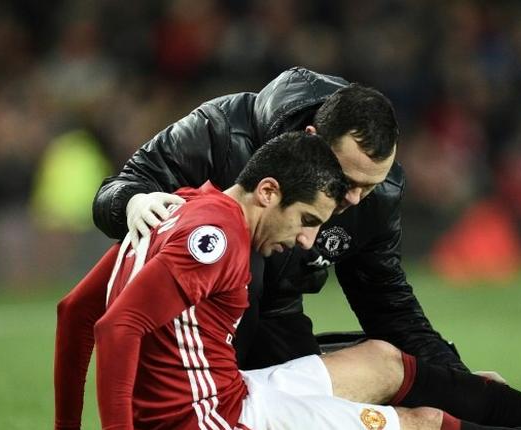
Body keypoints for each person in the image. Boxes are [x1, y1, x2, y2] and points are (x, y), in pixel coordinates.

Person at [57, 132, 521, 430]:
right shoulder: (214, 235)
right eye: (307, 221)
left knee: (388, 360)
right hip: (215, 420)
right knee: (418, 422)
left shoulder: (179, 208)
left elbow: (72, 313)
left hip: (231, 392)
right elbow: (117, 326)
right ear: (270, 189)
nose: (309, 243)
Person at [91, 67, 464, 371]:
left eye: (370, 185)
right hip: (191, 323)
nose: (353, 198)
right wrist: (132, 201)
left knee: (400, 378)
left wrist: (463, 385)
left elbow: (387, 304)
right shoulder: (221, 133)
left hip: (277, 320)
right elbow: (115, 192)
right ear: (311, 138)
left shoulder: (377, 196)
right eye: (348, 181)